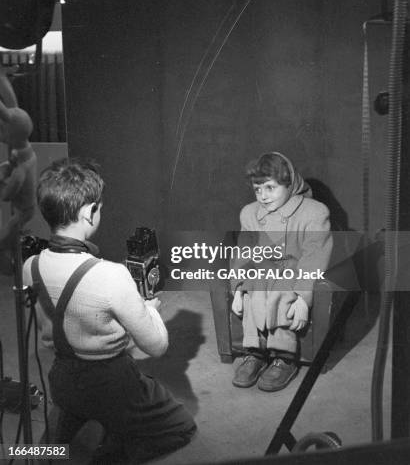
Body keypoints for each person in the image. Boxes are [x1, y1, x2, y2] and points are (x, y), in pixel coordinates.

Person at [22, 158, 196, 462]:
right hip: (112, 384)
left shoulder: (30, 266)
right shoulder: (111, 274)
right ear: (90, 213)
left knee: (57, 444)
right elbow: (156, 346)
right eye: (99, 208)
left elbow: (67, 318)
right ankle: (110, 453)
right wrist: (150, 310)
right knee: (182, 427)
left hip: (62, 378)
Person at [231, 151, 333, 391]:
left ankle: (284, 357)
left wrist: (303, 299)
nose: (263, 196)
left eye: (270, 188)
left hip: (295, 271)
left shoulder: (314, 212)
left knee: (281, 287)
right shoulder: (249, 213)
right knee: (253, 284)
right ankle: (254, 351)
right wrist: (237, 288)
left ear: (290, 185)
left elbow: (314, 257)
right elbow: (244, 252)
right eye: (258, 189)